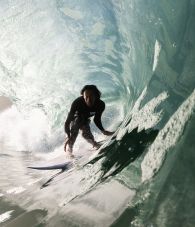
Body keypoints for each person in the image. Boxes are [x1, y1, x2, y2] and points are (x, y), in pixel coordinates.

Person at [64, 85, 114, 157]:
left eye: (91, 96)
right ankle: (69, 150)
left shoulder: (100, 104)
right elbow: (67, 122)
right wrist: (68, 136)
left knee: (86, 132)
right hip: (75, 119)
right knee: (77, 122)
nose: (88, 100)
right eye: (86, 97)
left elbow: (96, 119)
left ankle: (94, 143)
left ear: (96, 96)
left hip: (85, 119)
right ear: (83, 96)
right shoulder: (77, 103)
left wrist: (103, 130)